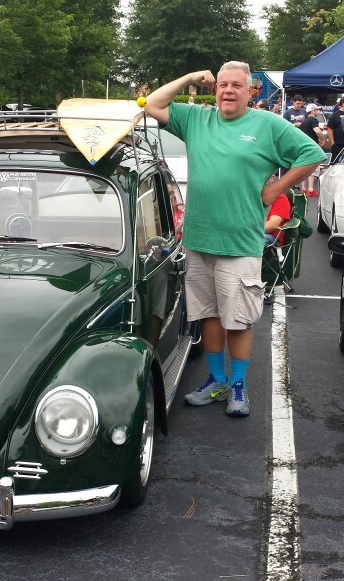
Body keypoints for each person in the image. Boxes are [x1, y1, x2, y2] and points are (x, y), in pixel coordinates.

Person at [143, 61, 325, 417]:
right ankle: (217, 380)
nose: (227, 90)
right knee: (208, 315)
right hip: (199, 240)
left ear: (249, 91)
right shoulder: (197, 119)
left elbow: (313, 155)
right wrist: (191, 76)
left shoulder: (267, 124)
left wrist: (276, 189)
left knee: (238, 318)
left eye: (236, 86)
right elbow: (152, 104)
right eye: (222, 84)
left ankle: (238, 385)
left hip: (240, 241)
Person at [298, 103, 325, 195]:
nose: (317, 111)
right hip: (313, 147)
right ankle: (310, 189)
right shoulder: (313, 120)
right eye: (316, 110)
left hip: (303, 147)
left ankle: (303, 188)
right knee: (313, 167)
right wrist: (322, 138)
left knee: (303, 167)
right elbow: (317, 131)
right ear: (313, 111)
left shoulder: (304, 122)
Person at [327, 98, 344, 164]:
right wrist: (332, 143)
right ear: (343, 103)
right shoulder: (335, 115)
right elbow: (330, 128)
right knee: (336, 164)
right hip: (338, 145)